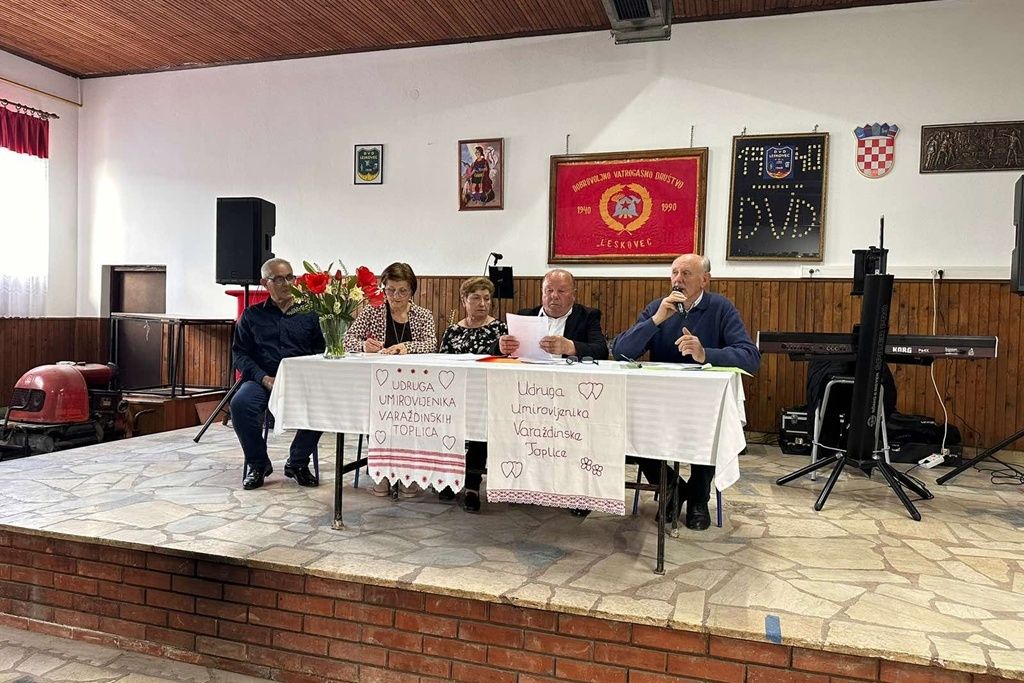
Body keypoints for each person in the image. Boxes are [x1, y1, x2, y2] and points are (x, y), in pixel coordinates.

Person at [613, 254, 760, 530]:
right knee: (630, 424)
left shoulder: (721, 308)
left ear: (705, 280)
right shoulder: (659, 307)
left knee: (711, 426)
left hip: (701, 405)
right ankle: (672, 487)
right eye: (674, 273)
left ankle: (698, 497)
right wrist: (656, 320)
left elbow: (750, 357)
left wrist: (706, 354)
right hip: (658, 403)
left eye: (686, 274)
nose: (678, 279)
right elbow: (620, 351)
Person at [344, 262, 437, 496]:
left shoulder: (423, 315)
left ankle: (407, 472)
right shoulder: (372, 311)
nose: (395, 296)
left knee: (411, 423)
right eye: (390, 290)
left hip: (413, 386)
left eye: (402, 291)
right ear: (383, 289)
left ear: (412, 291)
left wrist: (407, 347)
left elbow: (431, 344)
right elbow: (347, 339)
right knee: (378, 420)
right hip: (379, 385)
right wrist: (364, 346)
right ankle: (382, 472)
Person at [232, 258, 324, 491]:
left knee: (324, 402)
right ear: (265, 283)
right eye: (279, 279)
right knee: (241, 404)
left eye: (290, 277)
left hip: (301, 380)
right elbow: (240, 355)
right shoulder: (251, 316)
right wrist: (264, 378)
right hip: (263, 380)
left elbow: (320, 351)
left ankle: (298, 462)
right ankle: (258, 464)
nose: (287, 284)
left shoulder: (310, 314)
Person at [437, 276, 508, 512]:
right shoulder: (453, 331)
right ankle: (449, 479)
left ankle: (472, 485)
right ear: (464, 300)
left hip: (487, 396)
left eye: (487, 298)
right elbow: (441, 364)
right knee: (448, 428)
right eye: (476, 298)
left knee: (480, 428)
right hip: (455, 394)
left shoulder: (500, 330)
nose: (482, 303)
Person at [496, 269, 607, 361]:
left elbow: (601, 351)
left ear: (573, 294)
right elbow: (494, 348)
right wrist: (502, 346)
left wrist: (570, 347)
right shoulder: (526, 316)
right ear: (542, 292)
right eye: (549, 290)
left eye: (561, 291)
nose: (554, 296)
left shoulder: (587, 316)